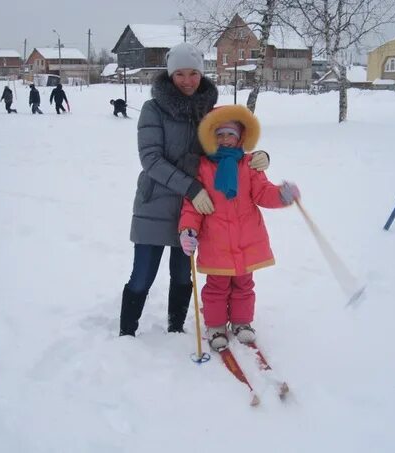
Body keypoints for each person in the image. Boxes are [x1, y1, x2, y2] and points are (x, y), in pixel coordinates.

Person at [119, 42, 271, 337]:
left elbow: (229, 144)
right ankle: (127, 335)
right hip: (157, 203)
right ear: (169, 74)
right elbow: (151, 159)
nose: (187, 81)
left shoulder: (208, 112)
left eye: (193, 73)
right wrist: (191, 187)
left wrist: (258, 157)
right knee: (142, 275)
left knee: (182, 275)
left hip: (195, 211)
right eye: (179, 74)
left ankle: (176, 329)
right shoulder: (153, 109)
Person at [178, 104, 300, 350]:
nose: (225, 139)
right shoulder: (202, 167)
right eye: (219, 134)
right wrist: (188, 230)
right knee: (217, 287)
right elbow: (192, 206)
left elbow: (263, 193)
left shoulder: (249, 165)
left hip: (247, 240)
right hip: (217, 242)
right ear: (211, 137)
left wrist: (282, 195)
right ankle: (216, 326)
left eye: (230, 134)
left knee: (244, 285)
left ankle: (242, 322)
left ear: (240, 136)